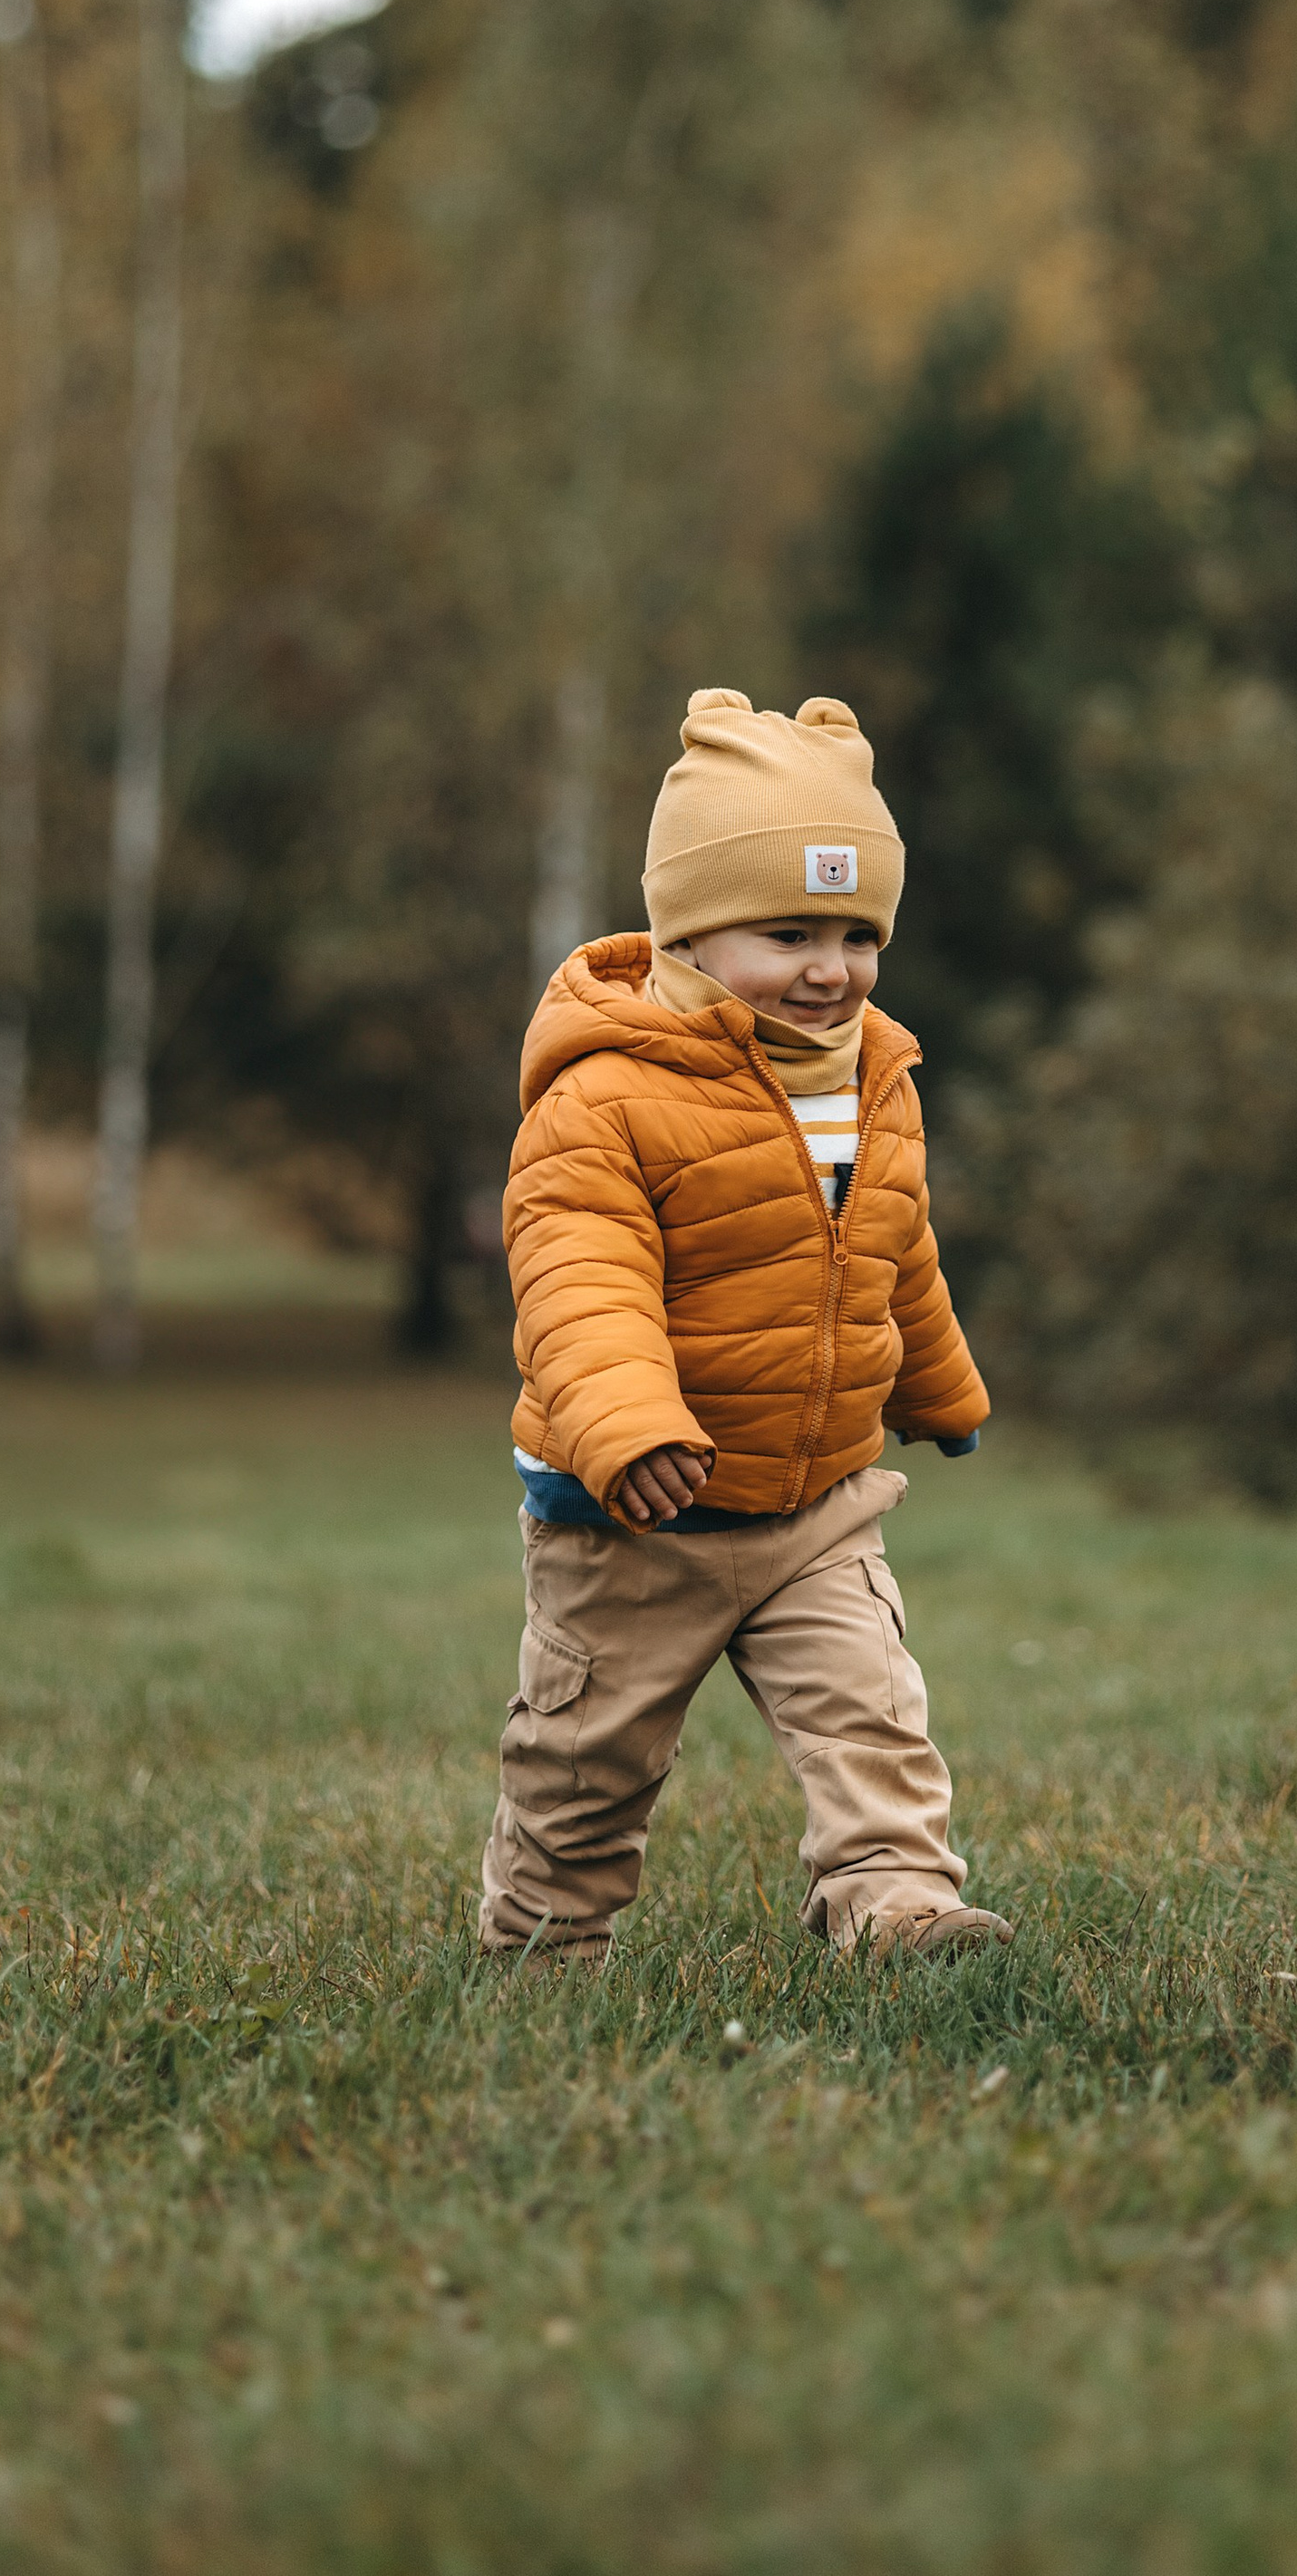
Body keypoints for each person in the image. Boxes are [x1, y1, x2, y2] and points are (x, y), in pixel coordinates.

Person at [478, 685, 1013, 1967]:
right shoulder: (607, 1095)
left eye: (855, 933)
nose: (830, 968)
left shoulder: (878, 1077)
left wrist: (939, 1386)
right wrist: (630, 1429)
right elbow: (577, 1279)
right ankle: (547, 1946)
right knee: (587, 1758)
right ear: (691, 932)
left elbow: (891, 1248)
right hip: (634, 1513)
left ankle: (896, 1911)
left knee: (873, 1718)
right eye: (787, 932)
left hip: (815, 1502)